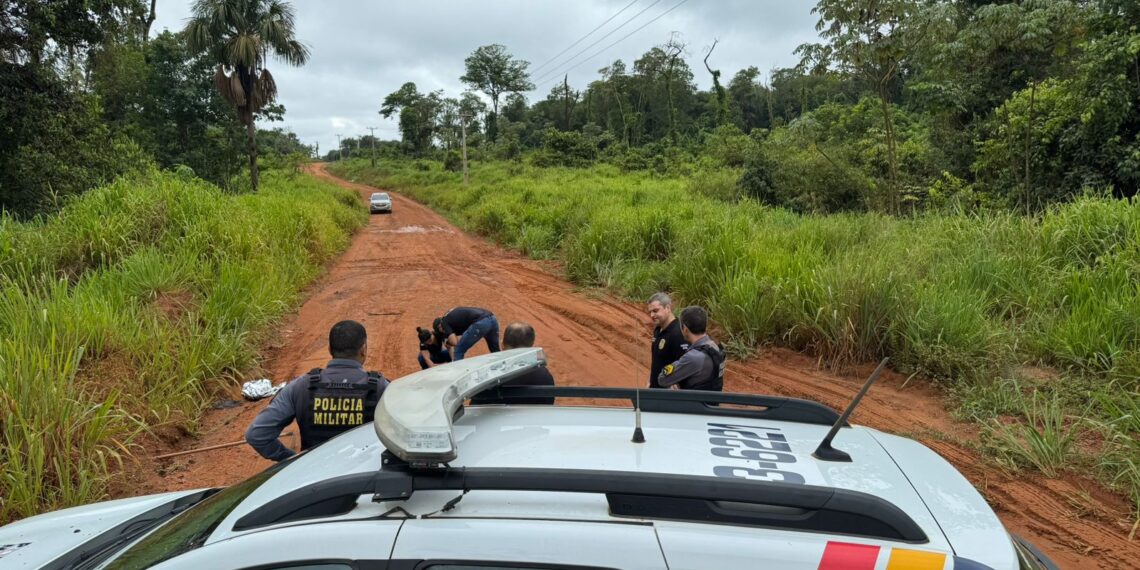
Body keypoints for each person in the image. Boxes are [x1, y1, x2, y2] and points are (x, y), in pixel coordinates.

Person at [246, 320, 388, 461]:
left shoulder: (300, 386)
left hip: (314, 478)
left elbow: (257, 434)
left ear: (329, 349)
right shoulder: (380, 387)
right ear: (363, 349)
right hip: (363, 478)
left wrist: (292, 461)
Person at [470, 322, 555, 405]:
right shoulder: (545, 375)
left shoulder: (489, 373)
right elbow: (548, 402)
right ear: (531, 345)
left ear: (502, 345)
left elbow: (476, 404)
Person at [657, 306, 725, 391]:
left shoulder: (693, 357)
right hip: (711, 401)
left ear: (685, 329)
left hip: (694, 402)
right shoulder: (714, 346)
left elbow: (662, 379)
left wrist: (677, 381)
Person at [647, 292, 688, 389]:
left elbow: (686, 363)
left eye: (655, 311)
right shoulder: (658, 330)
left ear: (668, 308)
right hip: (655, 388)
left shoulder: (678, 332)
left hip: (668, 393)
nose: (652, 315)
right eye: (650, 312)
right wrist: (650, 380)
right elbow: (657, 360)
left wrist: (678, 383)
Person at [432, 306, 500, 361]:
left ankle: (457, 373)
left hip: (481, 322)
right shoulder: (449, 318)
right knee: (495, 350)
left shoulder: (444, 323)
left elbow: (455, 342)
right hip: (492, 318)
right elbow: (456, 342)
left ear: (439, 327)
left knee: (458, 350)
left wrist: (448, 343)